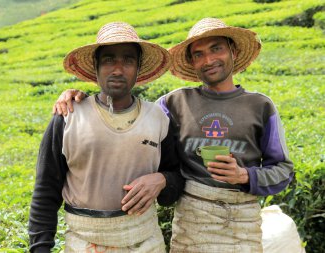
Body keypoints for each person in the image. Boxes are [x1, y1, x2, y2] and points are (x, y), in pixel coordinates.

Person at [53, 18, 294, 252]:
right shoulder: (173, 103)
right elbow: (129, 120)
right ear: (192, 62)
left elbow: (283, 170)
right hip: (192, 222)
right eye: (198, 54)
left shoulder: (260, 106)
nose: (208, 60)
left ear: (232, 50)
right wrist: (77, 97)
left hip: (241, 225)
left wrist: (244, 175)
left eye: (216, 49)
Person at [28, 22, 184, 253]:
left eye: (128, 60)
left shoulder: (158, 118)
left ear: (139, 68)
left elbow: (177, 180)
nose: (118, 70)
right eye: (109, 59)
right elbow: (46, 190)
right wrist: (40, 248)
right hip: (84, 243)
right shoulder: (68, 116)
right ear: (96, 66)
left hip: (145, 242)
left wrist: (163, 180)